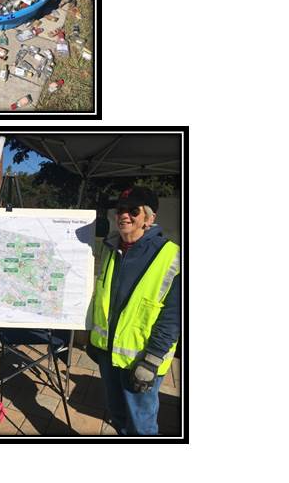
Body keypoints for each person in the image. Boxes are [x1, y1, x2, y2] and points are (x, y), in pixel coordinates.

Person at [89, 186, 180, 435]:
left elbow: (174, 316)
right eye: (120, 210)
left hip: (142, 359)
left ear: (149, 219)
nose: (124, 215)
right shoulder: (111, 248)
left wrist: (151, 360)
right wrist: (96, 341)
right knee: (117, 415)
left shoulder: (171, 256)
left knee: (142, 426)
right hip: (109, 354)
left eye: (133, 211)